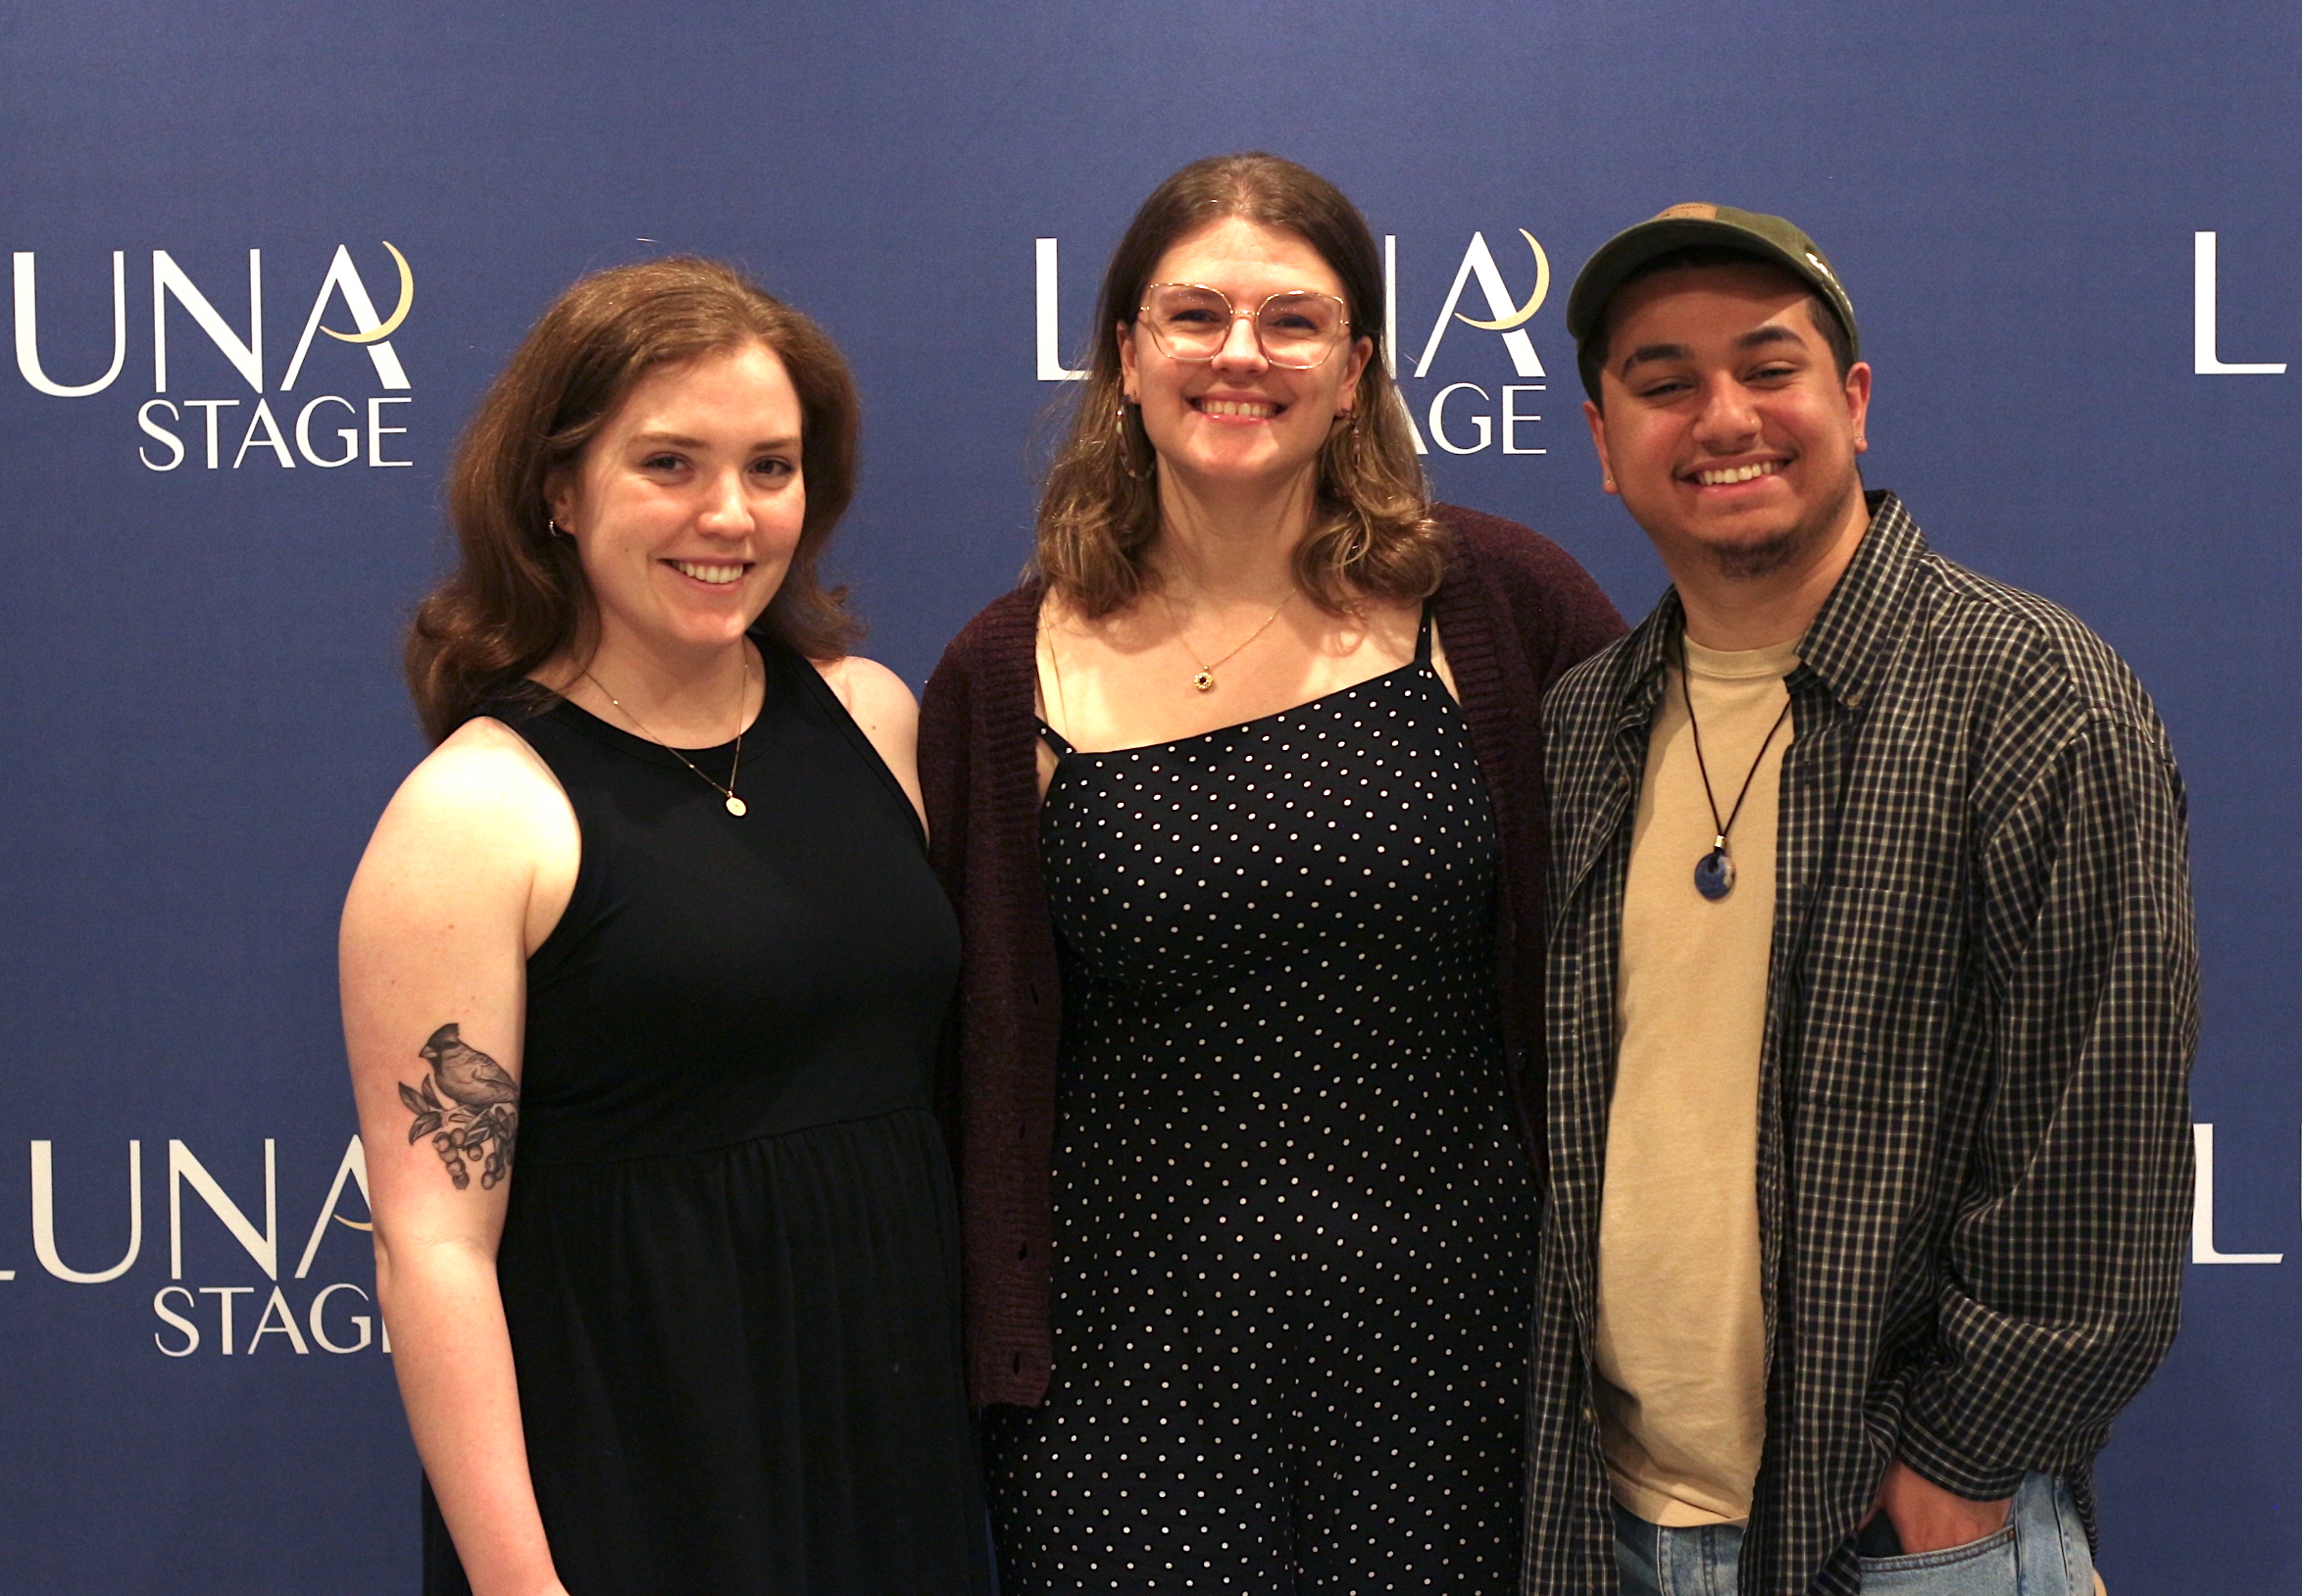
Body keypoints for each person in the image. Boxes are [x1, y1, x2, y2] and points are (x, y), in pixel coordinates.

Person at [920, 152, 1626, 1592]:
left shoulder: (1497, 605)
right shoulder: (1002, 675)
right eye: (1194, 315)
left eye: (1293, 320)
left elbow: (1663, 907)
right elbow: (960, 1048)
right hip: (1121, 1386)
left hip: (1462, 1356)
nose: (1239, 353)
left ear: (1356, 370)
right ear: (1126, 357)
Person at [1522, 203, 2198, 1596]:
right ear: (1602, 441)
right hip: (1604, 1526)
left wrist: (1957, 1468)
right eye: (1665, 383)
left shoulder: (2034, 697)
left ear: (1855, 401)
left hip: (1905, 1540)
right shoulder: (1582, 726)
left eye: (1769, 369)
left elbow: (2101, 1140)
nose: (1725, 417)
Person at [339, 258, 992, 1596]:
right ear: (558, 490)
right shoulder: (476, 814)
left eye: (771, 467)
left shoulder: (873, 718)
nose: (729, 515)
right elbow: (433, 1250)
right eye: (669, 464)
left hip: (889, 1435)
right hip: (641, 1460)